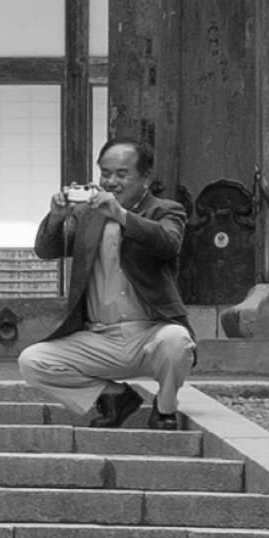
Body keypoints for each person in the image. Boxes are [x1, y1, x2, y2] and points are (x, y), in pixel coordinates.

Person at [16, 137, 195, 430]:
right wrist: (57, 217)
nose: (111, 182)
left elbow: (168, 243)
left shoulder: (166, 210)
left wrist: (121, 216)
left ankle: (165, 409)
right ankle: (115, 396)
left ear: (145, 178)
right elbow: (46, 250)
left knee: (176, 341)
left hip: (150, 334)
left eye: (121, 174)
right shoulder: (87, 214)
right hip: (98, 337)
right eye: (105, 173)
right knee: (32, 361)